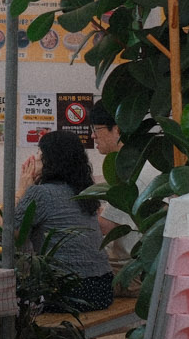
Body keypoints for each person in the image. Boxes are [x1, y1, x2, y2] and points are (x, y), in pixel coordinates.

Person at [18, 128, 116, 312]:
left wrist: (22, 190)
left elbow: (11, 234)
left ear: (49, 160)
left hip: (66, 291)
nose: (34, 159)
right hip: (103, 288)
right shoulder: (84, 192)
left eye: (39, 153)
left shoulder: (39, 194)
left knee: (8, 300)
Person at [90, 110, 160, 264]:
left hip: (133, 264)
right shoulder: (140, 163)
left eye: (96, 129)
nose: (93, 136)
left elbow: (107, 226)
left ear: (117, 129)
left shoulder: (133, 172)